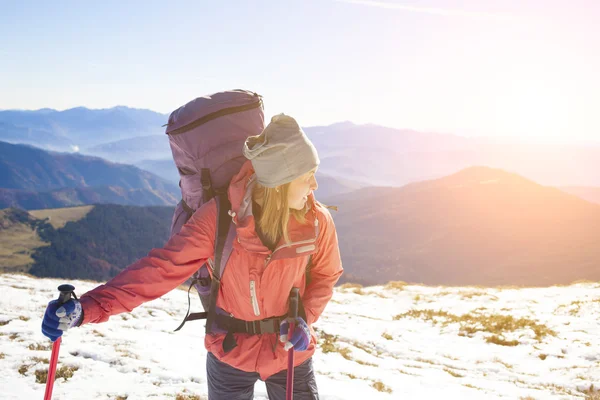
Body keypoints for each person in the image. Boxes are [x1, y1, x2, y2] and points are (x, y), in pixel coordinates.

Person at [42, 113, 343, 400]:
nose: (315, 186)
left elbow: (326, 275)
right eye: (308, 177)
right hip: (230, 349)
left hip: (290, 347)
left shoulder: (316, 221)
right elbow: (159, 271)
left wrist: (305, 318)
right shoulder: (220, 218)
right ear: (280, 182)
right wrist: (87, 308)